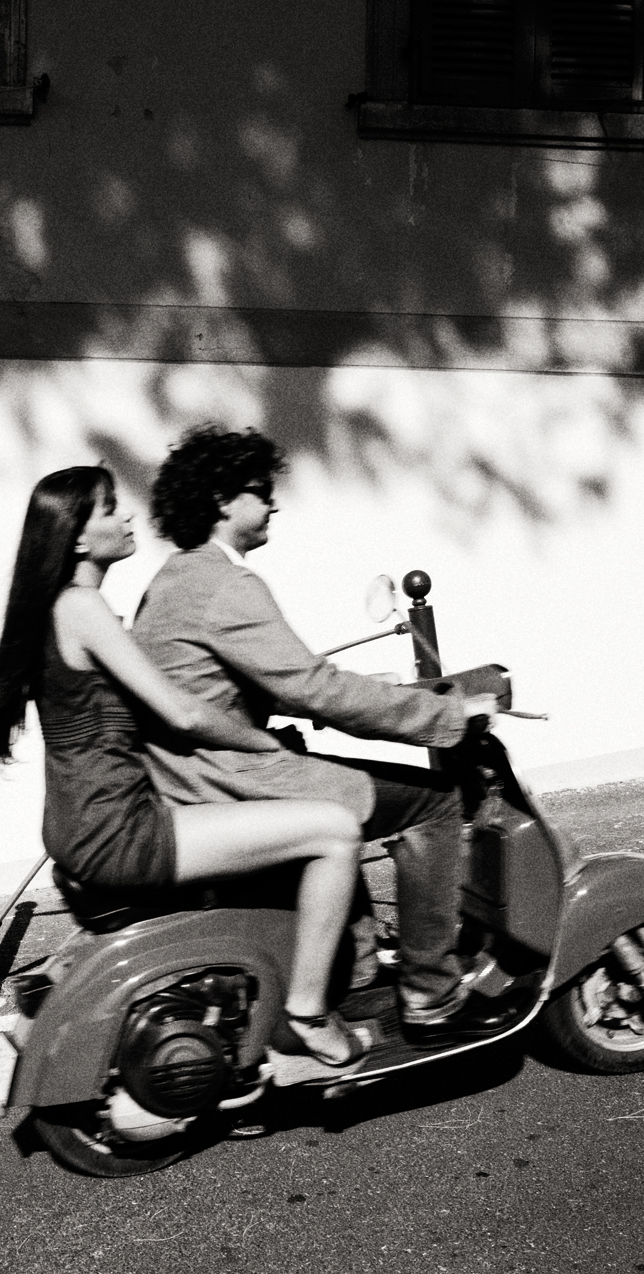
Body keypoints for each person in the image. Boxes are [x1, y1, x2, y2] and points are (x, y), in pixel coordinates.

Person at [0, 464, 368, 1069]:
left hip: (82, 825)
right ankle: (306, 1013)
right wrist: (264, 744)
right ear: (77, 538)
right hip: (117, 831)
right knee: (335, 831)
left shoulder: (65, 611)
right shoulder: (81, 607)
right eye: (109, 508)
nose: (127, 515)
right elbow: (181, 711)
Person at [130, 424, 504, 1046]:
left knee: (347, 785)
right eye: (260, 491)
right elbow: (313, 689)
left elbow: (256, 682)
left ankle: (356, 975)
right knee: (433, 804)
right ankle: (431, 994)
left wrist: (380, 690)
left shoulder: (174, 579)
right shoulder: (227, 585)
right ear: (222, 501)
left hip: (189, 776)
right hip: (231, 779)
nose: (273, 503)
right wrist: (446, 716)